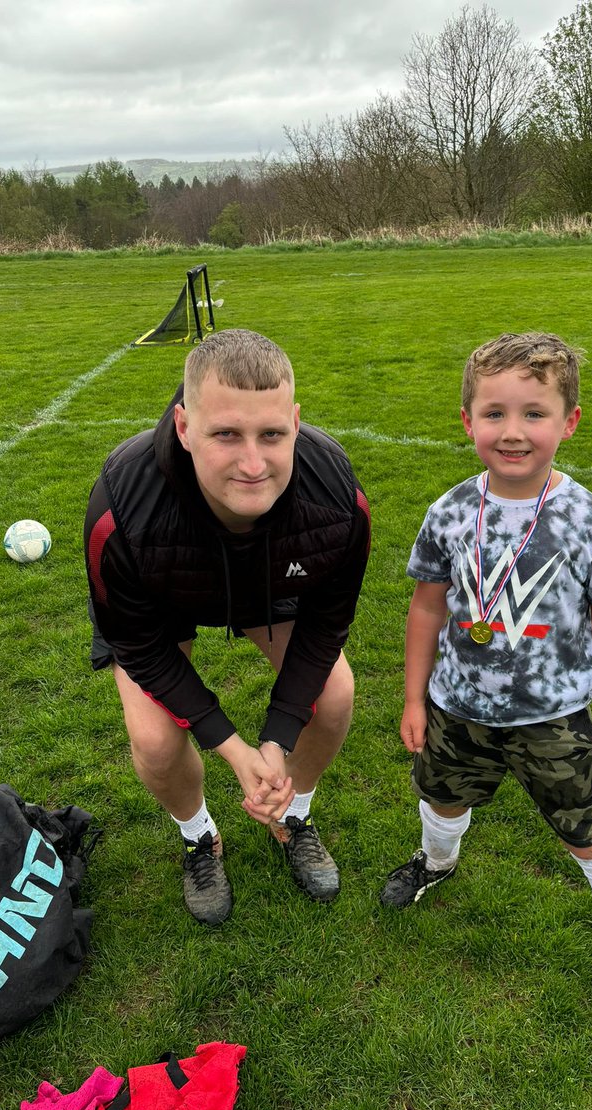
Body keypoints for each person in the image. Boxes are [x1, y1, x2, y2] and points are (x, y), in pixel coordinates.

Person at [379, 332, 592, 1039]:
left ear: (569, 421)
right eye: (494, 413)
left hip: (553, 721)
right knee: (441, 800)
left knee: (590, 838)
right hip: (456, 710)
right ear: (467, 420)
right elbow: (425, 607)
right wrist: (415, 697)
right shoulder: (448, 512)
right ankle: (436, 863)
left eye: (534, 414)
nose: (513, 432)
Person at [85, 328, 370, 927]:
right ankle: (198, 837)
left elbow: (326, 624)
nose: (252, 462)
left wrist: (275, 740)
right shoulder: (123, 505)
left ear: (295, 421)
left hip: (268, 586)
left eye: (272, 434)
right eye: (225, 434)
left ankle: (290, 814)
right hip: (168, 595)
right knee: (157, 741)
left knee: (336, 694)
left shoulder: (336, 495)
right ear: (185, 428)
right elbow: (137, 641)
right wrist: (232, 745)